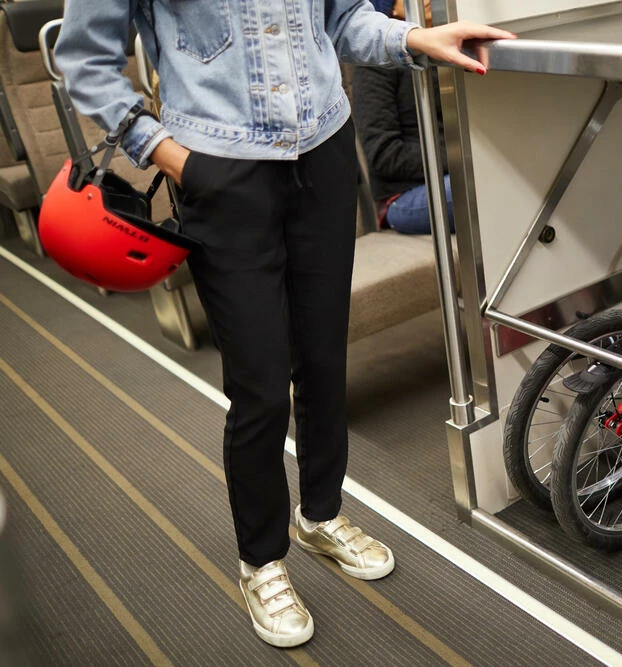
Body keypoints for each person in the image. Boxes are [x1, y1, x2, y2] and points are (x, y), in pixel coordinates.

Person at [55, 0, 513, 649]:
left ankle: (320, 515)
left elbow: (343, 18)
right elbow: (85, 59)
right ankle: (261, 560)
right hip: (219, 166)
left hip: (323, 151)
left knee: (324, 361)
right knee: (261, 387)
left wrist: (416, 38)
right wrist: (171, 157)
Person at [353, 0, 453, 234]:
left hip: (451, 174)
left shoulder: (448, 50)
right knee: (490, 183)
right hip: (403, 196)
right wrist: (460, 158)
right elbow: (384, 155)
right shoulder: (375, 62)